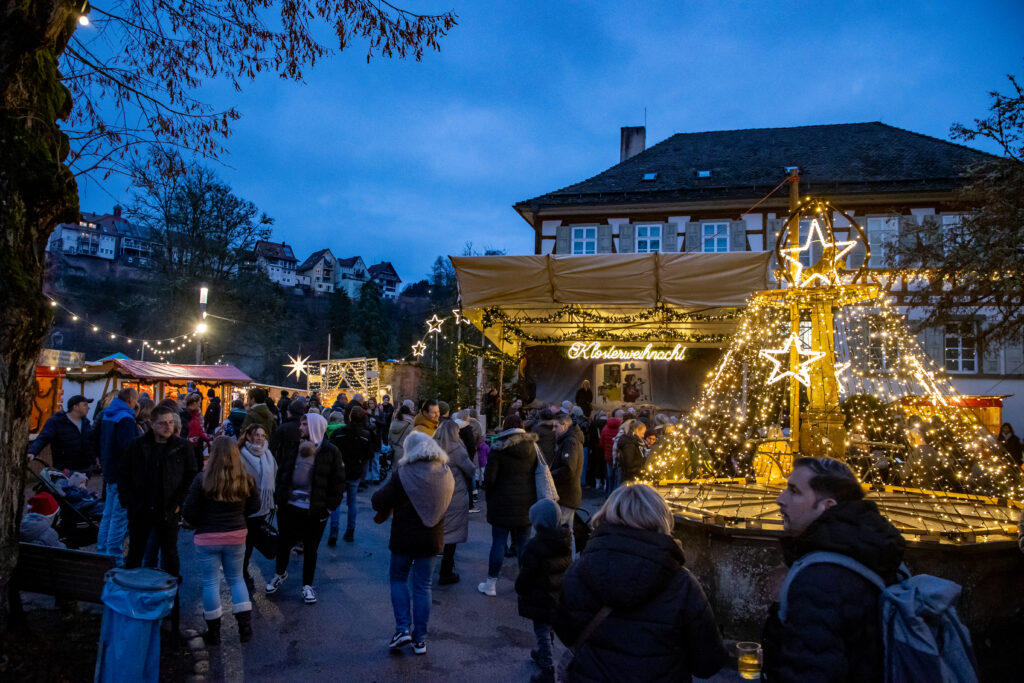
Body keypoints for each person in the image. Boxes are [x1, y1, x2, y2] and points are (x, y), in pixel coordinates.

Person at [555, 484, 727, 682]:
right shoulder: (683, 585)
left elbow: (565, 631)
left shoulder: (578, 571)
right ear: (662, 519)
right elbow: (707, 664)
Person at [761, 457, 905, 682]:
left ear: (828, 506)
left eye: (794, 491)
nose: (780, 499)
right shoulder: (871, 550)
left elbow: (808, 671)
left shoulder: (818, 582)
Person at [371, 432, 454, 655]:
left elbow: (379, 500)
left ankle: (402, 629)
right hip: (432, 538)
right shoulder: (446, 473)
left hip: (404, 537)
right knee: (423, 586)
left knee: (398, 579)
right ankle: (420, 639)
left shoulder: (404, 473)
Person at [182, 436, 260, 645]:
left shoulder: (202, 479)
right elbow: (255, 505)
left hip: (207, 536)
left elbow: (189, 511)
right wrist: (240, 515)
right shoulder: (245, 478)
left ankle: (214, 632)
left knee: (210, 582)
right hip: (236, 534)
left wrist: (199, 520)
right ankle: (245, 627)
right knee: (236, 579)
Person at [266, 412, 344, 604]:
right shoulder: (294, 446)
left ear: (314, 427)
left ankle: (307, 585)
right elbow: (283, 473)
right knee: (284, 543)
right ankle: (279, 573)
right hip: (290, 506)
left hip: (315, 509)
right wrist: (279, 499)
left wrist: (329, 507)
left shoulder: (330, 451)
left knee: (311, 548)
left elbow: (338, 482)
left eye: (304, 425)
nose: (299, 428)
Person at [120, 404, 197, 576]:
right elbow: (124, 474)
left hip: (168, 508)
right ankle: (133, 587)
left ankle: (171, 590)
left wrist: (179, 503)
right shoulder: (137, 446)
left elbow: (191, 475)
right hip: (141, 508)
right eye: (163, 423)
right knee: (136, 552)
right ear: (153, 424)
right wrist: (129, 501)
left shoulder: (182, 447)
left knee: (170, 554)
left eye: (170, 422)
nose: (168, 427)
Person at [479, 414, 538, 597]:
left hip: (501, 503)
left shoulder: (499, 448)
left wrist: (489, 494)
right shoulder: (532, 447)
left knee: (498, 542)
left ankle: (491, 584)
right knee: (523, 544)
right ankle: (525, 584)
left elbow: (489, 478)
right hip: (526, 502)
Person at [515, 498, 572, 682]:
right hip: (557, 594)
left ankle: (547, 667)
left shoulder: (535, 547)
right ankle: (543, 653)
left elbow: (527, 575)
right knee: (549, 627)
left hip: (541, 597)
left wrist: (520, 588)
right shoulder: (564, 540)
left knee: (541, 630)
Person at [96, 387, 140, 562]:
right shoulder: (125, 418)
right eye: (135, 400)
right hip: (122, 473)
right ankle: (113, 555)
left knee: (107, 515)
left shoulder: (108, 415)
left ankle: (102, 550)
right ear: (131, 400)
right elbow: (127, 447)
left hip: (109, 470)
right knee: (119, 517)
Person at [434, 419, 474, 585]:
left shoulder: (432, 447)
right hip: (454, 495)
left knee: (434, 530)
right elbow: (470, 470)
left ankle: (427, 567)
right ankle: (446, 571)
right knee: (451, 535)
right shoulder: (457, 449)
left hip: (435, 494)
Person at [237, 423, 277, 589]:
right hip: (244, 507)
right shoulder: (239, 454)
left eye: (262, 435)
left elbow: (275, 476)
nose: (260, 438)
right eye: (256, 435)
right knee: (243, 543)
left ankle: (243, 570)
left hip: (262, 507)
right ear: (248, 436)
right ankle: (241, 572)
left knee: (251, 540)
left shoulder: (268, 454)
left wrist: (273, 501)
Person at [328, 405, 373, 545]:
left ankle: (334, 531)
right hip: (355, 471)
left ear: (349, 417)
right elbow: (368, 455)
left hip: (339, 471)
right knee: (352, 502)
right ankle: (350, 531)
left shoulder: (338, 433)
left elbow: (331, 451)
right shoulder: (365, 435)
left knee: (336, 502)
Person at [29, 394, 96, 474]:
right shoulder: (57, 421)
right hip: (65, 468)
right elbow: (44, 437)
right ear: (75, 407)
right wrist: (33, 451)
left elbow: (91, 442)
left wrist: (94, 460)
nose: (88, 408)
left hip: (85, 468)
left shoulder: (85, 423)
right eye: (85, 405)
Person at [551, 413, 584, 528]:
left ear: (564, 425)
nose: (553, 430)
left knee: (561, 530)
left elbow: (569, 469)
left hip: (566, 494)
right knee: (566, 530)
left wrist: (550, 475)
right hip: (567, 494)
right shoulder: (568, 440)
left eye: (556, 426)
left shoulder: (570, 442)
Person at [270, 397, 306, 470]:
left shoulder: (284, 427)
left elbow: (273, 445)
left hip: (283, 462)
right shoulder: (306, 427)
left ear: (290, 412)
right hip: (300, 464)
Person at [387, 404, 415, 477]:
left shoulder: (394, 422)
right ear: (408, 413)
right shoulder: (410, 424)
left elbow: (389, 437)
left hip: (393, 450)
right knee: (403, 473)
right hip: (404, 451)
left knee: (394, 470)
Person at [599, 410, 623, 493]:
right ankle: (616, 495)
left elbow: (601, 443)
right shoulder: (621, 429)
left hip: (608, 456)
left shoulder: (605, 428)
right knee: (618, 477)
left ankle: (608, 493)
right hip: (618, 456)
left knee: (609, 476)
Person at [617, 419, 648, 483]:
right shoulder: (629, 443)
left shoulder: (634, 441)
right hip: (631, 476)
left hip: (633, 475)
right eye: (642, 433)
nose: (643, 436)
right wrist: (643, 460)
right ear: (636, 430)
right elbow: (629, 463)